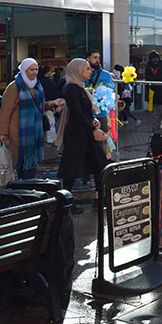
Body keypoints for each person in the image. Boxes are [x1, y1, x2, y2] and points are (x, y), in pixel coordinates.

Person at [56, 59, 108, 213]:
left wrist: (93, 121)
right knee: (71, 170)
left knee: (99, 165)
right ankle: (66, 203)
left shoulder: (80, 87)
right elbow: (77, 113)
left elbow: (84, 112)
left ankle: (99, 199)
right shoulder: (71, 89)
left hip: (85, 132)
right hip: (77, 135)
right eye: (86, 68)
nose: (90, 70)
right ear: (77, 71)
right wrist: (93, 128)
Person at [0, 58, 64, 179]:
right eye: (31, 70)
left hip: (35, 131)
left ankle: (28, 185)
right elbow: (5, 111)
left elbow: (38, 107)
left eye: (36, 69)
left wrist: (51, 104)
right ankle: (23, 186)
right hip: (19, 132)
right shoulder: (14, 87)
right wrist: (2, 132)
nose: (34, 72)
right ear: (24, 70)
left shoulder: (37, 85)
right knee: (22, 160)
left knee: (32, 161)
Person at [84, 50, 116, 133]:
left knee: (102, 140)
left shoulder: (106, 74)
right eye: (95, 57)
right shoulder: (83, 74)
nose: (97, 60)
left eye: (98, 57)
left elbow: (112, 91)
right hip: (86, 112)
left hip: (101, 113)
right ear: (88, 59)